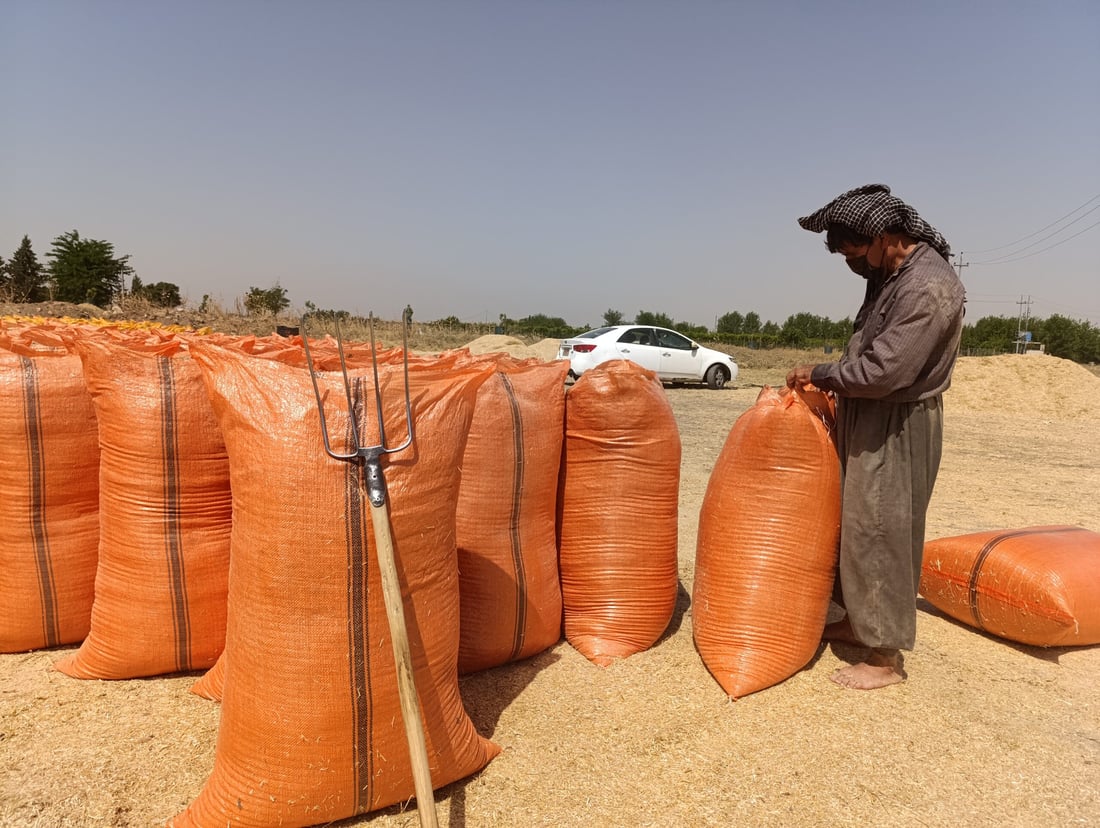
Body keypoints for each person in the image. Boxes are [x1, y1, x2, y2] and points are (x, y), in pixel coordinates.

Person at [786, 184, 966, 690]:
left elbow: (884, 371)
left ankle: (885, 657)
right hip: (868, 415)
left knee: (881, 528)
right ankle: (857, 621)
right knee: (852, 522)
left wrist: (820, 373)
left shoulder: (926, 287)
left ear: (885, 236)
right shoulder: (889, 273)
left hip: (897, 421)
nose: (853, 265)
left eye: (855, 253)